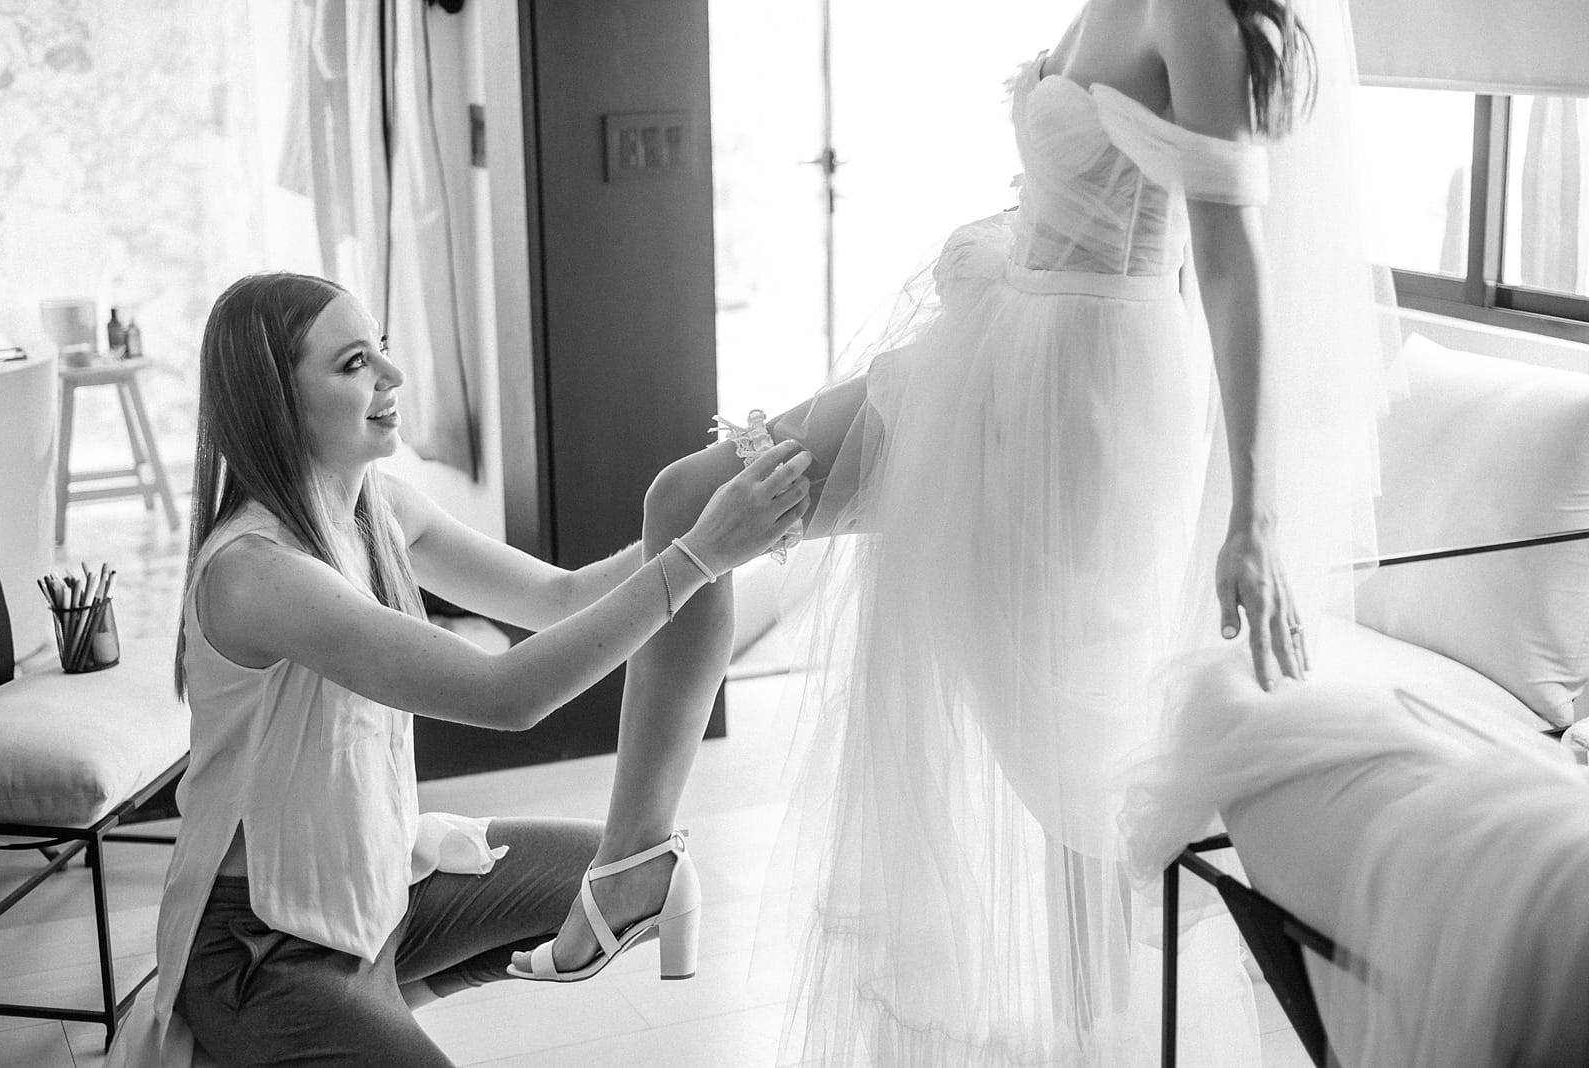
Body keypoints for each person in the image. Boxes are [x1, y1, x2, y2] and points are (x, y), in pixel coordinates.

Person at [513, 0, 1392, 1063]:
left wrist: (1254, 513)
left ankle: (1111, 1039)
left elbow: (1231, 260)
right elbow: (1082, 185)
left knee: (1076, 781)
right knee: (689, 498)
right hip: (994, 344)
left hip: (1090, 403)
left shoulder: (1196, 13)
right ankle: (635, 862)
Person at [105, 270, 813, 1067]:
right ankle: (296, 1032)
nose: (393, 375)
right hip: (263, 948)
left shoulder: (379, 506)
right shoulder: (254, 573)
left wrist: (698, 523)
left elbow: (558, 597)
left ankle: (372, 1005)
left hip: (380, 891)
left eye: (381, 349)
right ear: (277, 402)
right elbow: (505, 695)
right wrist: (698, 555)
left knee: (624, 871)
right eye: (354, 364)